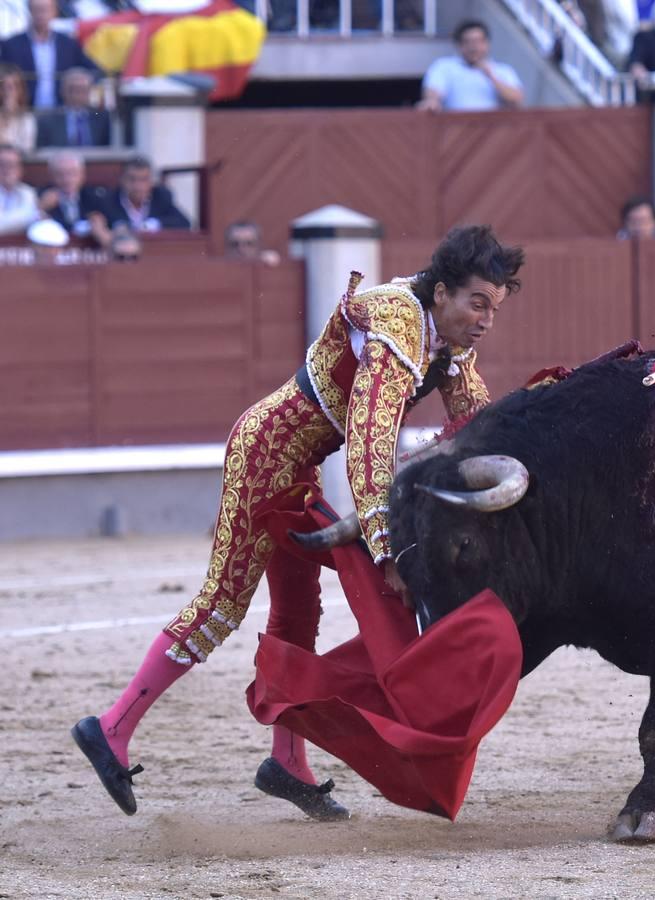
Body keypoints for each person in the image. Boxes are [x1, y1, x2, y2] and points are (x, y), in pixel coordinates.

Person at [71, 225, 526, 820]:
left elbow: (476, 426)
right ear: (441, 292)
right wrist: (387, 551)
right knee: (223, 603)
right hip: (264, 455)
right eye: (477, 302)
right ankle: (110, 727)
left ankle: (287, 763)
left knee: (297, 612)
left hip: (300, 465)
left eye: (495, 306)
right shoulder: (397, 325)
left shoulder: (446, 342)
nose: (487, 319)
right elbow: (369, 444)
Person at [0, 0, 97, 109]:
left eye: (45, 9)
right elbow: (4, 75)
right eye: (37, 9)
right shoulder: (11, 44)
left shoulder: (68, 44)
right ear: (30, 11)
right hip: (25, 111)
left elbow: (94, 71)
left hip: (60, 112)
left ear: (54, 12)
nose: (41, 14)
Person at [418, 20, 524, 112]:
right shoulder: (444, 67)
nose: (473, 47)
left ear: (487, 43)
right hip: (456, 129)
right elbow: (433, 93)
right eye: (467, 42)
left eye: (478, 41)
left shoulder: (503, 70)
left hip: (494, 131)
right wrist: (432, 101)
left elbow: (517, 99)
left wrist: (491, 76)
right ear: (459, 45)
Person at [91, 156, 190, 247]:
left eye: (144, 179)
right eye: (132, 179)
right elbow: (97, 225)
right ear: (122, 179)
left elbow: (184, 223)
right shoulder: (108, 200)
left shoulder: (161, 196)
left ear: (151, 181)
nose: (138, 186)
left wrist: (152, 224)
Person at [37, 148, 107, 236]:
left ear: (82, 175)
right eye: (60, 174)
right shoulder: (41, 196)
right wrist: (40, 208)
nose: (67, 179)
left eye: (72, 173)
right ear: (51, 176)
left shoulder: (95, 196)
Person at [35, 66, 110, 148]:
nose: (78, 95)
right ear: (63, 91)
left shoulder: (101, 117)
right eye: (74, 89)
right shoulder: (47, 120)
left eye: (83, 90)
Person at [0, 140, 35, 234]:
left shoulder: (28, 192)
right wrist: (28, 217)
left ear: (20, 170)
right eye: (2, 165)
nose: (7, 171)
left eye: (12, 165)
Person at [0, 61, 32, 152]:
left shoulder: (27, 118)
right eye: (3, 86)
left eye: (14, 86)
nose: (8, 92)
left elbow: (26, 149)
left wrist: (10, 116)